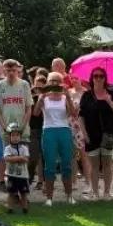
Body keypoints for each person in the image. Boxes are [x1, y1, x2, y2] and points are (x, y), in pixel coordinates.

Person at [34, 72, 78, 206]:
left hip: (64, 130)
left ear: (61, 82)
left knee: (66, 164)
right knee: (50, 165)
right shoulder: (45, 97)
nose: (54, 83)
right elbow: (35, 113)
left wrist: (69, 97)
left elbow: (73, 114)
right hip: (48, 130)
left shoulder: (65, 97)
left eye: (57, 81)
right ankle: (49, 198)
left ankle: (69, 196)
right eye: (52, 80)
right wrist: (41, 98)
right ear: (48, 82)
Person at [78, 68, 113, 199]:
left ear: (105, 78)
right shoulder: (86, 95)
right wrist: (84, 133)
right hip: (91, 134)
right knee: (94, 165)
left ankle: (107, 192)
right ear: (92, 78)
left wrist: (109, 101)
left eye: (101, 76)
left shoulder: (111, 94)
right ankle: (95, 192)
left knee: (108, 164)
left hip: (108, 135)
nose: (98, 78)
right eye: (95, 76)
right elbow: (81, 116)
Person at [0, 59, 30, 175]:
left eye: (14, 70)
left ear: (18, 70)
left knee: (23, 158)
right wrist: (4, 127)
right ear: (4, 70)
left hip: (22, 129)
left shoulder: (24, 84)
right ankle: (11, 186)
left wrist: (22, 126)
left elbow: (28, 107)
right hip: (6, 129)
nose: (11, 73)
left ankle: (23, 185)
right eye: (8, 70)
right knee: (9, 158)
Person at [3, 124, 30, 214]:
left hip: (23, 175)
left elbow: (26, 159)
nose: (15, 138)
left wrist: (14, 158)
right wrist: (19, 158)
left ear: (20, 136)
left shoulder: (24, 148)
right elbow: (7, 158)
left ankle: (25, 208)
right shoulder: (7, 148)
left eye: (17, 135)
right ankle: (10, 208)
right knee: (11, 193)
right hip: (11, 175)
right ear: (9, 137)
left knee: (24, 193)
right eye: (13, 135)